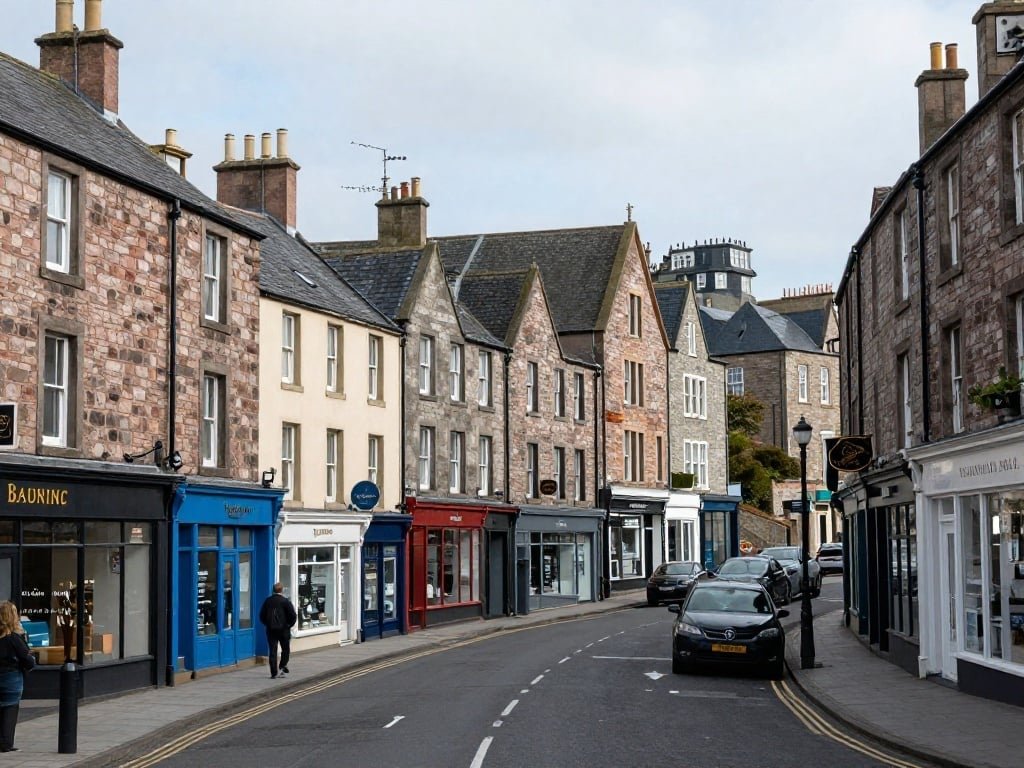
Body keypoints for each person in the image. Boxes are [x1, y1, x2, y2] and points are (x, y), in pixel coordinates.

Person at [0, 601, 35, 752]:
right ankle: (5, 743)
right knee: (9, 708)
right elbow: (27, 659)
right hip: (11, 678)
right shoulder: (14, 638)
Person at [258, 583, 296, 679]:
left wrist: (268, 624)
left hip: (271, 630)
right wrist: (288, 625)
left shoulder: (268, 601)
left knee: (273, 651)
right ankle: (282, 665)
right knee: (285, 649)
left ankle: (273, 672)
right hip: (284, 630)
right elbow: (293, 615)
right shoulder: (285, 601)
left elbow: (262, 616)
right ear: (281, 590)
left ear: (273, 590)